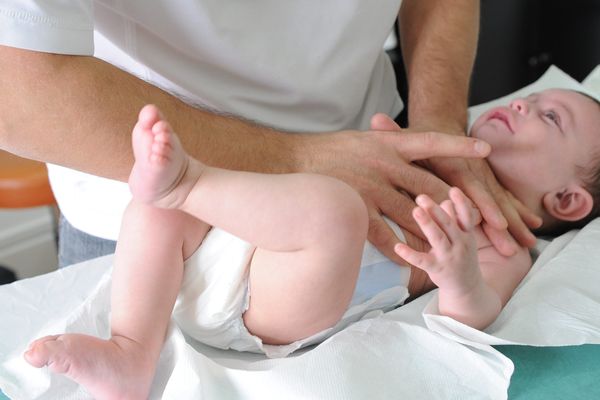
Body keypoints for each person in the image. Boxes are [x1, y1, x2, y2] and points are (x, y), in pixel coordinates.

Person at [24, 88, 600, 399]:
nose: (523, 102)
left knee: (335, 212)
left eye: (551, 117)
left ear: (568, 201)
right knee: (151, 209)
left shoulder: (503, 240)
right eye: (534, 98)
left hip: (282, 302)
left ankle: (188, 181)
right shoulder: (433, 160)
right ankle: (131, 351)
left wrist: (458, 276)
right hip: (224, 252)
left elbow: (473, 316)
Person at [0, 1, 540, 270]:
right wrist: (297, 158)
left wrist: (438, 123)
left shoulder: (492, 245)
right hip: (152, 218)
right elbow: (17, 92)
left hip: (380, 183)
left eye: (555, 117)